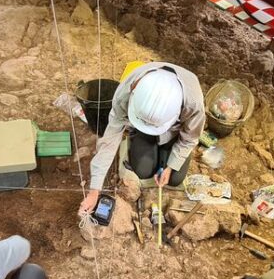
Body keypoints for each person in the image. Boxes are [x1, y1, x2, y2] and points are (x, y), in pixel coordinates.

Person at [79, 61, 205, 214]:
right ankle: (141, 139)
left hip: (174, 133)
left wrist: (171, 166)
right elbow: (109, 141)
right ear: (133, 94)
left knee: (175, 178)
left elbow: (189, 138)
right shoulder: (125, 93)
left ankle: (166, 152)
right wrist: (94, 190)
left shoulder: (193, 104)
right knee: (143, 171)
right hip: (141, 131)